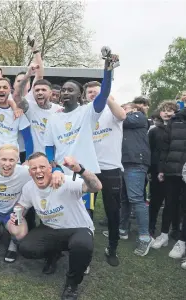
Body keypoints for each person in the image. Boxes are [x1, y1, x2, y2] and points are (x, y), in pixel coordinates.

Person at [18, 153, 102, 300]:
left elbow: (96, 187)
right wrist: (16, 214)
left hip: (78, 228)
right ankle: (54, 254)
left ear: (50, 168)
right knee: (26, 247)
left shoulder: (66, 181)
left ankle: (72, 285)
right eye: (34, 168)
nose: (38, 171)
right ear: (29, 171)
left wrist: (80, 170)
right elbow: (22, 205)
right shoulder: (29, 188)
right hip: (51, 228)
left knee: (82, 246)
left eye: (42, 167)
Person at [84, 81, 126, 267]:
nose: (93, 94)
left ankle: (112, 247)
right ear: (85, 96)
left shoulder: (111, 111)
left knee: (112, 211)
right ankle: (85, 245)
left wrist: (107, 98)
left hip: (110, 169)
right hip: (89, 169)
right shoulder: (85, 113)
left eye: (96, 92)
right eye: (90, 92)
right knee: (86, 210)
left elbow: (122, 114)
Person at [120, 102, 153, 256]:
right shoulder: (127, 121)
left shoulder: (138, 116)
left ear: (133, 109)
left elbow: (123, 119)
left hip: (135, 162)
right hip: (125, 162)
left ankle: (145, 237)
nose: (121, 110)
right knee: (124, 198)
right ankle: (123, 229)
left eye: (124, 108)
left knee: (136, 199)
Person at [158, 104, 186, 260]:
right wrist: (162, 169)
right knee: (169, 204)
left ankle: (181, 242)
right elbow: (165, 147)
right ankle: (163, 235)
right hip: (172, 170)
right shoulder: (175, 120)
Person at [149, 102, 175, 240]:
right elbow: (150, 150)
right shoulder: (154, 131)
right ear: (159, 113)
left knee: (171, 202)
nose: (166, 113)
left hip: (172, 171)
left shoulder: (178, 130)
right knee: (155, 201)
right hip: (155, 170)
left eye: (170, 110)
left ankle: (170, 230)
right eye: (164, 110)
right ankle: (151, 227)